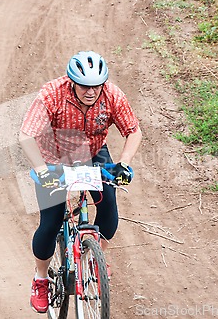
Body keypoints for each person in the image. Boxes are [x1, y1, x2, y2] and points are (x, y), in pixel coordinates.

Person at [19, 51, 142, 313]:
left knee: (108, 206)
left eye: (96, 85)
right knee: (50, 222)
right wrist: (42, 171)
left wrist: (124, 163)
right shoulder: (52, 93)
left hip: (93, 154)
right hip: (53, 157)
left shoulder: (112, 95)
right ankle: (41, 278)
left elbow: (134, 131)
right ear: (71, 81)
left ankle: (92, 259)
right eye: (85, 85)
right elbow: (26, 135)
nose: (91, 91)